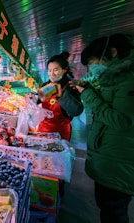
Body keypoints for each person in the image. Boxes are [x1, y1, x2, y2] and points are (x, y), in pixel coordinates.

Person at [72, 33, 134, 223]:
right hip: (109, 160)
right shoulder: (113, 81)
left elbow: (122, 121)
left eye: (94, 62)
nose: (92, 68)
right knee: (109, 210)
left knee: (114, 212)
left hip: (117, 163)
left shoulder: (128, 80)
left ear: (112, 53)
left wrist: (89, 95)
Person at [37, 51, 84, 141]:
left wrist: (60, 95)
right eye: (49, 70)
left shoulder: (71, 86)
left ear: (65, 69)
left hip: (60, 134)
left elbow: (77, 110)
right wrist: (33, 98)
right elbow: (37, 100)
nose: (52, 74)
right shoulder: (46, 85)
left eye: (56, 70)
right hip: (43, 130)